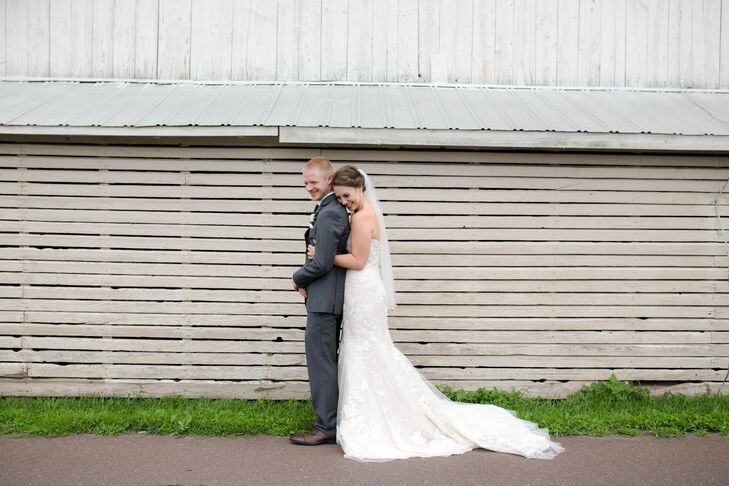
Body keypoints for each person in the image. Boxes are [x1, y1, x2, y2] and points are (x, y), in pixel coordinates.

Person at [307, 165, 564, 461]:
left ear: (361, 188)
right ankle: (365, 414)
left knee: (369, 350)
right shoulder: (357, 213)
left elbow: (359, 260)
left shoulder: (364, 217)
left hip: (364, 291)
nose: (343, 202)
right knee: (360, 351)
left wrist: (323, 257)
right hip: (357, 293)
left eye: (346, 195)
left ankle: (386, 418)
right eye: (339, 197)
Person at [289, 157, 350, 446]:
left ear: (328, 179)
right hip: (325, 296)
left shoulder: (329, 213)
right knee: (324, 362)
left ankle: (326, 427)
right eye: (305, 182)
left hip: (326, 300)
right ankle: (329, 421)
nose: (308, 187)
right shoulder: (327, 209)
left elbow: (322, 262)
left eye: (313, 181)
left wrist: (299, 278)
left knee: (321, 364)